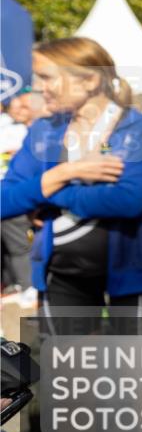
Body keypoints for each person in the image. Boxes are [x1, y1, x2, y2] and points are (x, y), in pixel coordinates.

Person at [0, 37, 142, 432]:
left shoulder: (136, 127)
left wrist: (49, 195)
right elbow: (4, 199)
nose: (40, 89)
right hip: (63, 278)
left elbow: (129, 200)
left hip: (131, 277)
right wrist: (66, 172)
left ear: (90, 80)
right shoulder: (43, 131)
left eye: (47, 77)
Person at [1, 92, 45, 307]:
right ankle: (18, 285)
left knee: (21, 245)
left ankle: (29, 287)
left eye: (24, 107)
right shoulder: (10, 127)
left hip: (24, 198)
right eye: (16, 105)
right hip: (10, 194)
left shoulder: (40, 132)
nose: (17, 110)